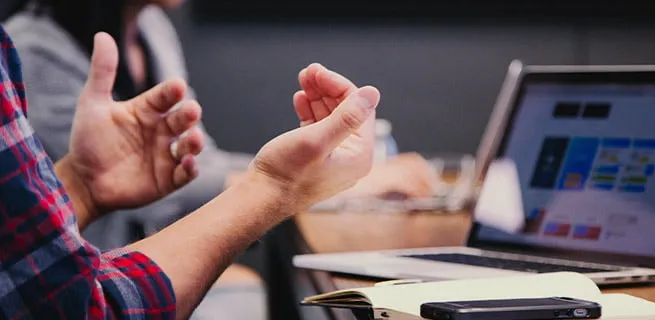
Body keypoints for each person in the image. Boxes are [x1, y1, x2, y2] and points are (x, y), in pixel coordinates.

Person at [4, 1, 438, 318]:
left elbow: (196, 163)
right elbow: (79, 308)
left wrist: (81, 185)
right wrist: (281, 184)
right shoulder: (29, 49)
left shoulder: (152, 28)